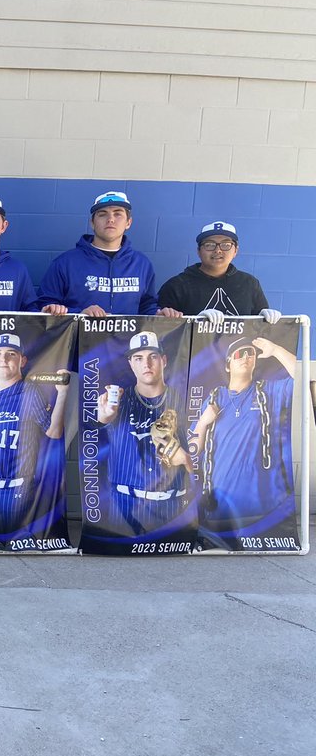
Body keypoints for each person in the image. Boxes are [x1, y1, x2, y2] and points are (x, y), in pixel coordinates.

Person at [0, 333, 70, 538]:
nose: (3, 359)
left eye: (11, 354)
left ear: (22, 361)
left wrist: (63, 393)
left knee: (9, 550)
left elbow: (54, 432)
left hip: (14, 490)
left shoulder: (30, 391)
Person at [192, 334, 297, 528]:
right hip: (221, 508)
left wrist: (275, 350)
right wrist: (202, 422)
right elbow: (193, 451)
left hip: (262, 511)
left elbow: (301, 375)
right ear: (227, 365)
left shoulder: (269, 393)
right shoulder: (214, 399)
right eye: (239, 353)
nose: (246, 357)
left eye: (250, 353)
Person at [95, 331, 192, 533]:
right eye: (138, 358)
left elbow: (204, 462)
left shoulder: (184, 400)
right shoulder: (118, 400)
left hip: (172, 504)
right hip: (125, 505)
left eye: (153, 357)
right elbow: (103, 420)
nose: (146, 364)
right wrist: (104, 415)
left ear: (164, 360)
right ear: (131, 363)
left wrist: (186, 460)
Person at [38, 191, 180, 318]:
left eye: (118, 214)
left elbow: (146, 306)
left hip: (127, 346)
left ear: (128, 223)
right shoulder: (65, 263)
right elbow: (44, 308)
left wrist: (158, 314)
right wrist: (79, 313)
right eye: (102, 214)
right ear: (92, 223)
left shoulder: (141, 264)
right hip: (80, 345)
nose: (110, 219)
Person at [157, 222, 282, 325]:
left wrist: (265, 321)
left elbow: (260, 332)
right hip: (193, 355)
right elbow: (163, 331)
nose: (218, 250)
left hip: (237, 354)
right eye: (209, 245)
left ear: (235, 251)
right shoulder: (176, 285)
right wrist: (196, 322)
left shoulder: (250, 283)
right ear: (198, 251)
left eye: (226, 245)